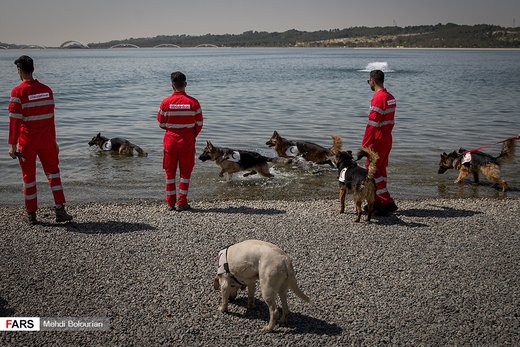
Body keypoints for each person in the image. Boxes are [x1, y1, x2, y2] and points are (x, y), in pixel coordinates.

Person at [8, 55, 73, 224]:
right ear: (33, 69)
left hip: (27, 141)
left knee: (28, 177)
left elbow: (14, 121)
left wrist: (12, 145)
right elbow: (51, 119)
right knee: (54, 173)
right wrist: (54, 142)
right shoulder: (47, 90)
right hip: (47, 140)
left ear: (20, 70)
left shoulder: (17, 91)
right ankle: (60, 210)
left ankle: (31, 215)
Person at [157, 71, 203, 211]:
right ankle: (182, 202)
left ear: (172, 85)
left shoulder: (165, 102)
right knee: (185, 173)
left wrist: (172, 130)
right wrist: (191, 135)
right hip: (187, 141)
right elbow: (199, 124)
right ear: (185, 84)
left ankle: (170, 203)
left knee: (169, 173)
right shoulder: (193, 103)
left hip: (170, 141)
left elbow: (161, 123)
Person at [360, 69, 398, 216]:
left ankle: (387, 201)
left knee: (373, 170)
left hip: (378, 139)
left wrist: (365, 144)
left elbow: (372, 124)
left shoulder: (378, 98)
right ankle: (377, 202)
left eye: (369, 81)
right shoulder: (390, 97)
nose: (369, 83)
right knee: (381, 170)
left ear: (373, 81)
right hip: (387, 138)